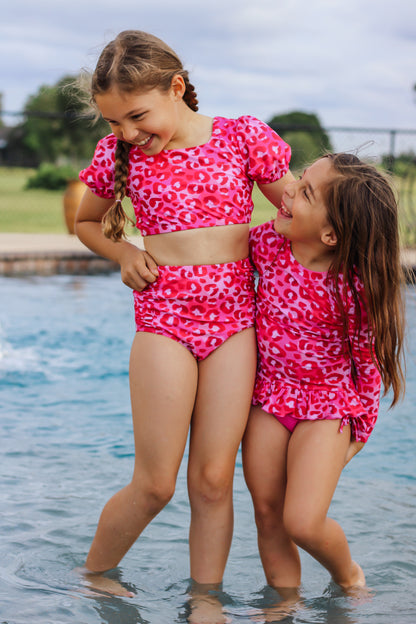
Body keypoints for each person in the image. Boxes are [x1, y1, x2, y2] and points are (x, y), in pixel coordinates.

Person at [74, 30, 293, 602]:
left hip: (235, 329)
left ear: (177, 88)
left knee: (215, 481)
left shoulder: (242, 138)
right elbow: (86, 222)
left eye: (137, 115)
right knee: (155, 485)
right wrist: (123, 251)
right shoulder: (118, 155)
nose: (126, 133)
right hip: (164, 326)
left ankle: (205, 601)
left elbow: (300, 212)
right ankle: (92, 579)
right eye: (115, 122)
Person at [242, 153, 405, 600]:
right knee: (268, 512)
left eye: (305, 191)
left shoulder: (354, 287)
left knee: (303, 521)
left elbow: (366, 364)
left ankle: (348, 575)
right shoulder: (266, 245)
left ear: (330, 234)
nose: (287, 189)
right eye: (299, 178)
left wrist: (359, 433)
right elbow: (213, 255)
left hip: (328, 406)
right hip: (269, 400)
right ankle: (284, 604)